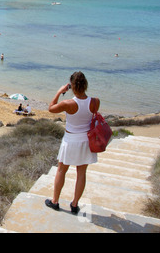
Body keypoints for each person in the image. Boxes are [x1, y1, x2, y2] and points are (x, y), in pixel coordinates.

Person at [46, 71, 100, 215]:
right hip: (86, 141)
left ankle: (55, 201)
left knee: (61, 170)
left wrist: (59, 92)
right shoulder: (95, 101)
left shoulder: (68, 103)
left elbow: (51, 108)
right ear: (85, 84)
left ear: (72, 86)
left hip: (70, 140)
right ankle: (75, 205)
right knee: (81, 173)